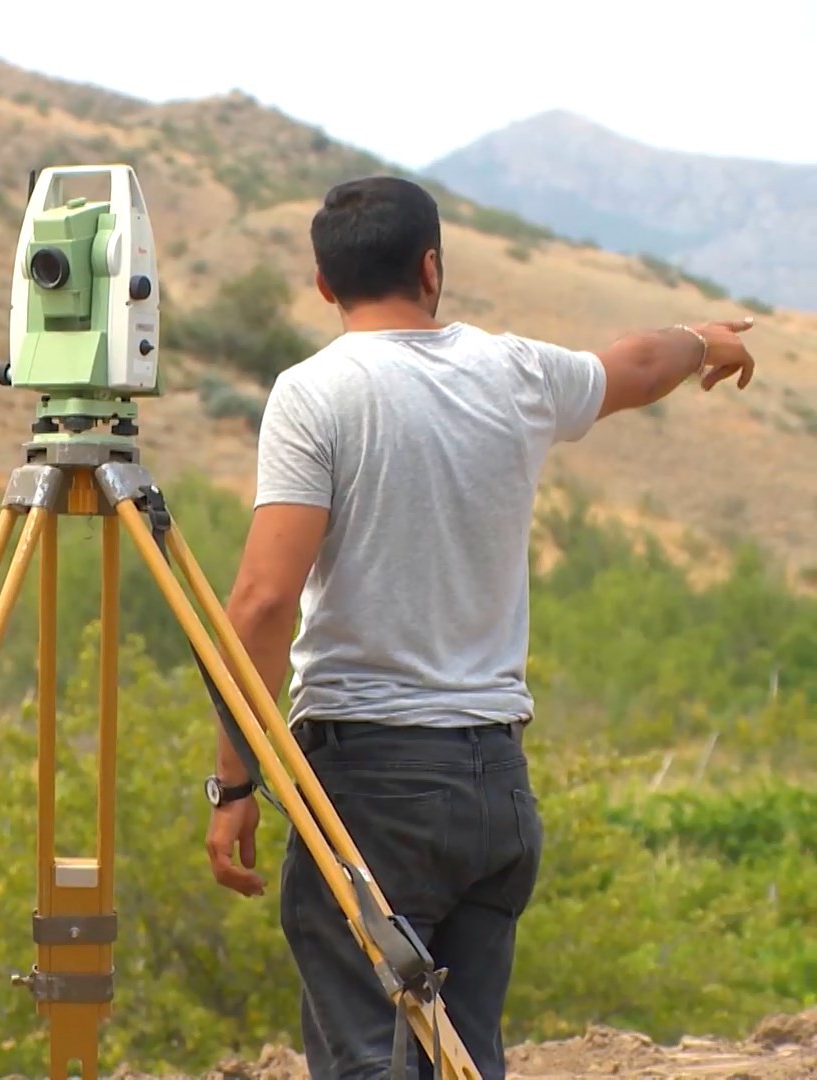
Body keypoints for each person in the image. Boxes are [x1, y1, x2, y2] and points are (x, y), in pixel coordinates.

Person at [206, 176, 758, 1080]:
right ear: (431, 268)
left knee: (370, 1063)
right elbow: (640, 363)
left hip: (371, 783)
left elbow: (263, 604)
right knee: (465, 1061)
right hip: (496, 787)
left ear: (322, 283)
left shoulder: (315, 394)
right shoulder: (517, 371)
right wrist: (706, 338)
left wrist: (234, 784)